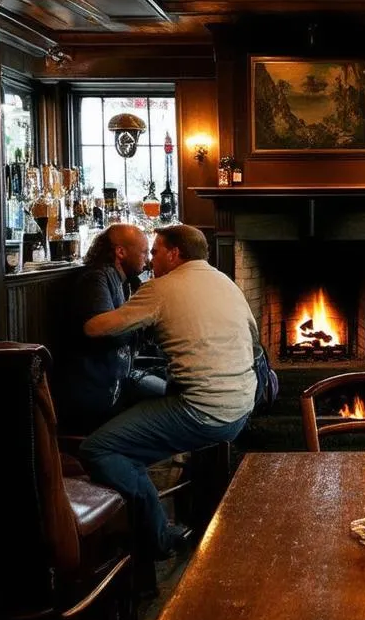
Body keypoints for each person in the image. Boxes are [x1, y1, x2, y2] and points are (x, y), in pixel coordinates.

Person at [79, 224, 259, 558]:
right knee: (146, 401)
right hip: (242, 405)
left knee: (100, 449)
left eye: (156, 251)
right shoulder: (226, 282)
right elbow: (255, 337)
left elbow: (94, 327)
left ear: (174, 254)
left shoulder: (161, 288)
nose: (150, 259)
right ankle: (183, 517)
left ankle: (157, 539)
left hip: (203, 413)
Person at [55, 223, 165, 429]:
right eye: (143, 252)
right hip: (95, 392)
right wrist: (144, 322)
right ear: (121, 252)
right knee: (173, 397)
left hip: (119, 381)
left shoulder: (126, 281)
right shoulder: (97, 277)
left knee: (173, 388)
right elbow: (102, 331)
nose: (148, 259)